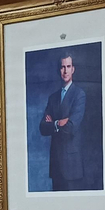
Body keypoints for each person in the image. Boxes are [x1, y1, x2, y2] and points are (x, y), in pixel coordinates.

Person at [39, 53, 88, 191]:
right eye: (62, 67)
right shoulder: (53, 98)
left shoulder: (79, 94)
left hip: (72, 166)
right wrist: (58, 123)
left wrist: (52, 124)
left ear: (73, 69)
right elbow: (43, 128)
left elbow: (71, 127)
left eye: (68, 66)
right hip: (56, 165)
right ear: (59, 70)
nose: (65, 71)